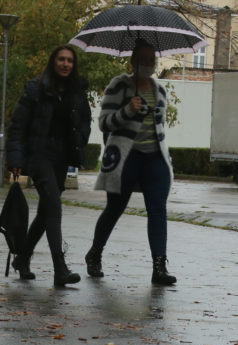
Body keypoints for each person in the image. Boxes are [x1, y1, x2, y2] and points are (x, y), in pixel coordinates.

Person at [86, 38, 177, 285]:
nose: (149, 64)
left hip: (154, 157)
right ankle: (94, 253)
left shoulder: (159, 90)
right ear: (133, 62)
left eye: (152, 60)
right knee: (115, 208)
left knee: (157, 209)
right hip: (126, 157)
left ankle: (159, 267)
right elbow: (104, 123)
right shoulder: (119, 86)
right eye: (144, 60)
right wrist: (127, 110)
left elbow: (159, 127)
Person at [7, 44, 91, 286]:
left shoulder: (77, 91)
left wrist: (81, 138)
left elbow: (85, 119)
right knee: (54, 205)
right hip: (40, 154)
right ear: (53, 62)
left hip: (62, 157)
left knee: (46, 213)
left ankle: (22, 259)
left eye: (70, 61)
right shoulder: (36, 89)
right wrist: (15, 159)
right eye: (61, 59)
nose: (66, 64)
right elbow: (18, 126)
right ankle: (60, 268)